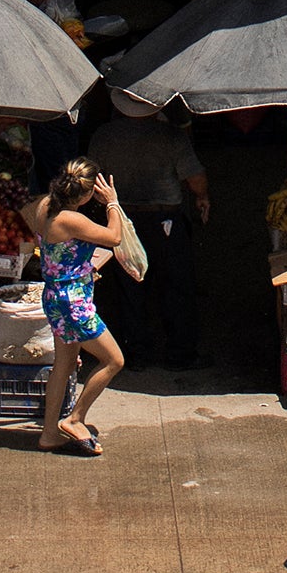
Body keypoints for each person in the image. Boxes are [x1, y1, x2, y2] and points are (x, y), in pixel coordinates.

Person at [87, 93, 209, 371]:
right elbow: (196, 178)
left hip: (121, 217)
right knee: (177, 287)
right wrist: (203, 197)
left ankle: (137, 354)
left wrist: (105, 206)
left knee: (130, 287)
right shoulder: (171, 136)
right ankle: (180, 354)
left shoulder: (103, 135)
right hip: (165, 219)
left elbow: (91, 178)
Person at [28, 158, 128, 456]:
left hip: (57, 295)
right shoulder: (72, 219)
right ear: (86, 195)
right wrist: (112, 203)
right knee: (114, 361)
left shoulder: (46, 204)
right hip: (74, 302)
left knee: (65, 365)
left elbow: (56, 246)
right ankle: (74, 418)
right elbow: (115, 237)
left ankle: (48, 434)